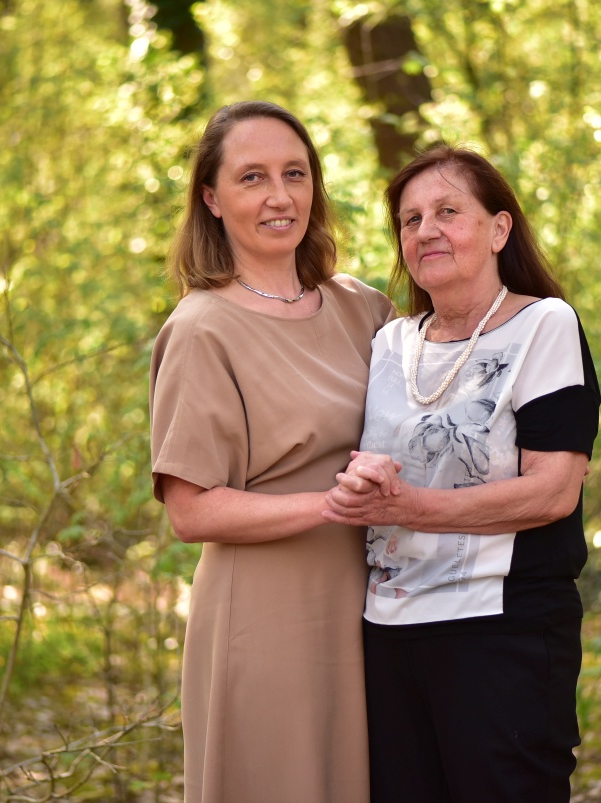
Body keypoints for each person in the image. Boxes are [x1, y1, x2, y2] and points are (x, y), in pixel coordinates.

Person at [324, 144, 601, 803]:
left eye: (448, 211)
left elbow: (554, 491)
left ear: (499, 229)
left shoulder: (543, 325)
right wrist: (359, 483)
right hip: (387, 631)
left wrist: (408, 507)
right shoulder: (389, 343)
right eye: (410, 219)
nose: (426, 230)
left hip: (501, 630)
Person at [149, 100, 393, 803]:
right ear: (211, 199)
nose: (279, 196)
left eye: (295, 173)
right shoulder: (201, 329)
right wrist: (332, 505)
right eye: (252, 177)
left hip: (374, 608)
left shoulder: (363, 309)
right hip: (265, 617)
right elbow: (191, 512)